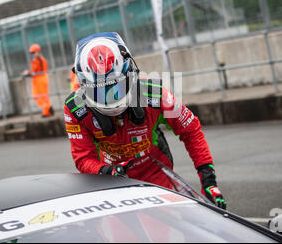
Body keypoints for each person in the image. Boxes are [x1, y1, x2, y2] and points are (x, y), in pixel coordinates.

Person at [63, 32, 226, 209]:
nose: (111, 97)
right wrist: (105, 171)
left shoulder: (154, 93)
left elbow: (191, 131)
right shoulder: (75, 108)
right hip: (111, 182)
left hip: (156, 174)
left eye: (117, 85)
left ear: (130, 72)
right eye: (100, 91)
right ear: (83, 85)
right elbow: (83, 158)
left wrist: (209, 181)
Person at [23, 44, 54, 117]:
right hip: (40, 78)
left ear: (38, 52)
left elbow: (34, 71)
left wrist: (27, 73)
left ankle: (47, 110)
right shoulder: (41, 59)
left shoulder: (38, 60)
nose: (33, 55)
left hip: (39, 79)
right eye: (32, 53)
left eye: (34, 52)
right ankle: (48, 109)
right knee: (42, 96)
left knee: (39, 96)